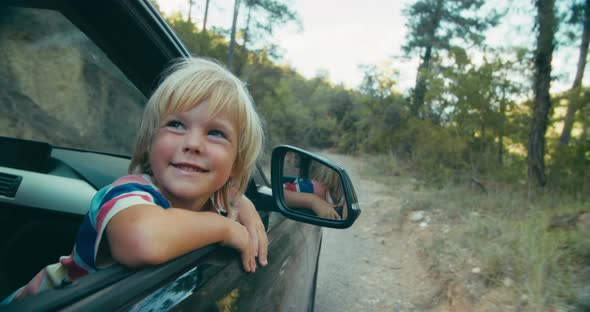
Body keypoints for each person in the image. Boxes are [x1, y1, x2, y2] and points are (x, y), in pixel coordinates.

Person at [2, 57, 267, 303]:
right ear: (149, 143)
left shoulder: (218, 203)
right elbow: (143, 240)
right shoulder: (125, 194)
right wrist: (224, 228)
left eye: (216, 133)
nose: (193, 144)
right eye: (176, 125)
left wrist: (242, 203)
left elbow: (229, 195)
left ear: (236, 163)